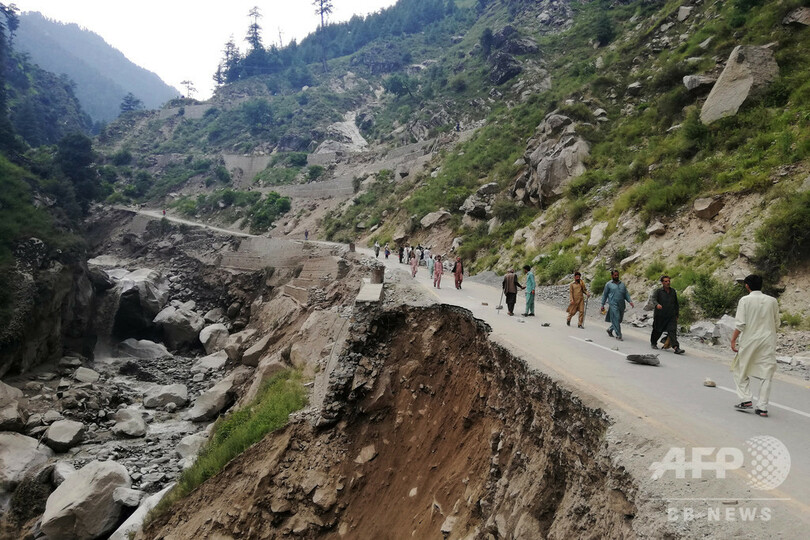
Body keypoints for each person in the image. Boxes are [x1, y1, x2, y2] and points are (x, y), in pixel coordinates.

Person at [730, 274, 779, 418]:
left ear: (747, 286)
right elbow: (777, 323)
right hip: (768, 340)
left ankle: (745, 399)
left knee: (740, 368)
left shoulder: (745, 300)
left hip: (749, 340)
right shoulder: (772, 301)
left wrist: (733, 340)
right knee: (766, 372)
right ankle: (762, 407)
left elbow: (740, 324)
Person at [650, 275, 684, 354]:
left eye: (669, 281)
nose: (668, 283)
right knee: (657, 330)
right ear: (662, 283)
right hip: (660, 315)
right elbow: (653, 299)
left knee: (672, 331)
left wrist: (677, 315)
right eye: (666, 281)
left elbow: (676, 304)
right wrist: (657, 304)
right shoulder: (658, 291)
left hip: (671, 315)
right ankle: (653, 342)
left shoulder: (673, 291)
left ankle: (676, 347)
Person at [601, 270, 634, 341]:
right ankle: (619, 335)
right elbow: (605, 295)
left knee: (619, 319)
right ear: (612, 276)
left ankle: (610, 329)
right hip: (613, 304)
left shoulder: (622, 284)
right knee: (616, 317)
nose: (616, 276)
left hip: (621, 304)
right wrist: (602, 304)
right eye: (615, 275)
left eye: (617, 275)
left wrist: (630, 301)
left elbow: (626, 293)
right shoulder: (608, 284)